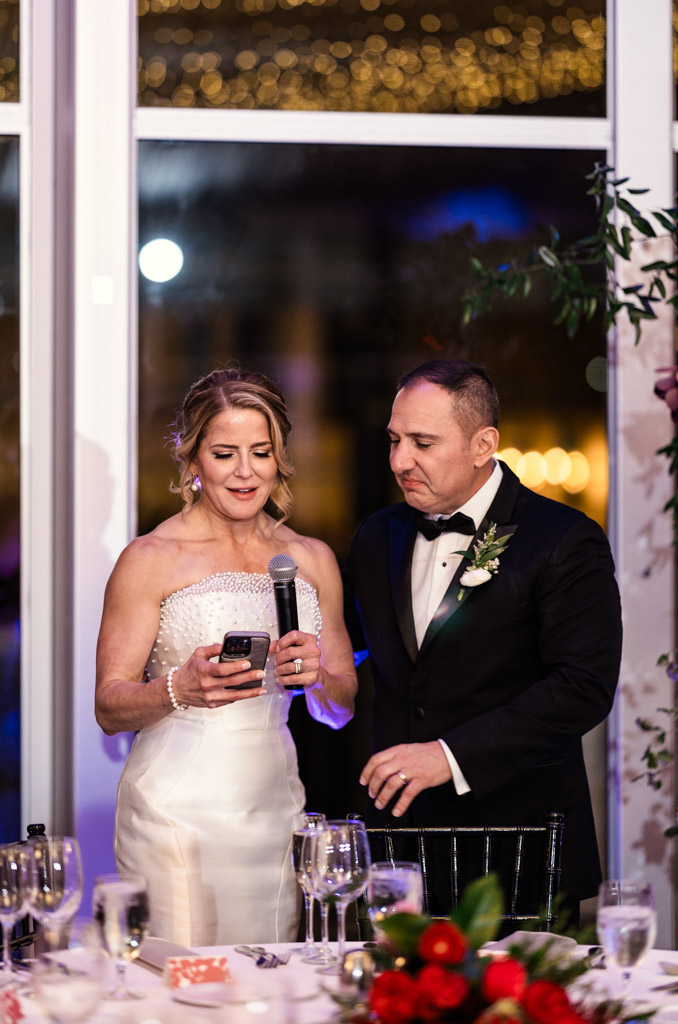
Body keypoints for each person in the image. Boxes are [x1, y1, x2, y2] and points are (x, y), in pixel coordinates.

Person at [342, 359, 622, 919]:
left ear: (482, 444)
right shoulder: (377, 537)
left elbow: (582, 688)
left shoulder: (564, 539)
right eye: (395, 440)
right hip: (400, 857)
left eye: (423, 442)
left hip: (521, 848)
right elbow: (364, 651)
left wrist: (448, 756)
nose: (400, 461)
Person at [95, 367, 357, 946]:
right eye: (224, 453)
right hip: (172, 811)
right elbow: (109, 706)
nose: (245, 471)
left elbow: (339, 709)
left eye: (260, 452)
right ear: (193, 461)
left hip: (275, 810)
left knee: (269, 986)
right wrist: (177, 689)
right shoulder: (150, 558)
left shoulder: (310, 560)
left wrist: (315, 680)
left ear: (280, 459)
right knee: (182, 989)